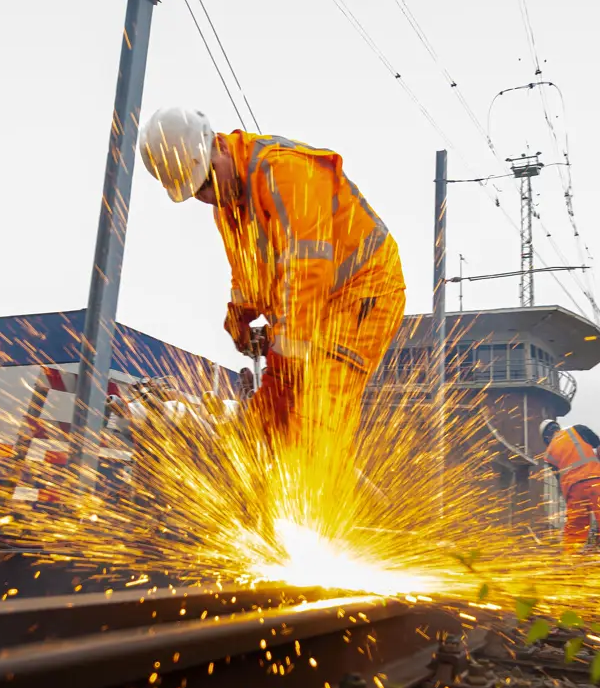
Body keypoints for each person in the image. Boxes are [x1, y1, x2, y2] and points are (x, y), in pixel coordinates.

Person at [138, 107, 406, 455]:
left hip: (363, 289)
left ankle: (317, 500)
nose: (209, 194)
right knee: (283, 424)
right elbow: (249, 272)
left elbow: (307, 270)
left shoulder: (285, 172)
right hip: (312, 304)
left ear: (217, 145)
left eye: (207, 179)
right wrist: (240, 313)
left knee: (317, 411)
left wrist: (281, 370)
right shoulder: (228, 206)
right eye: (197, 191)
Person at [539, 419, 600, 556]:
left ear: (546, 438)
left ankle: (571, 562)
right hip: (595, 482)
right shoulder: (577, 430)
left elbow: (560, 481)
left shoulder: (548, 455)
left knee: (575, 528)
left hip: (573, 490)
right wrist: (599, 467)